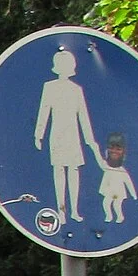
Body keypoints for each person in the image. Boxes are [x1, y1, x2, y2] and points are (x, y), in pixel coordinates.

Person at [33, 46, 102, 223]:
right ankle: (61, 211)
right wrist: (38, 134)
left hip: (73, 134)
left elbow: (83, 116)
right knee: (59, 170)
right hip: (57, 134)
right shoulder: (49, 87)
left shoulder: (76, 89)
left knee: (73, 169)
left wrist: (89, 139)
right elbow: (44, 111)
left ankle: (74, 211)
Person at [98, 132, 137, 223]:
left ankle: (120, 217)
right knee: (106, 203)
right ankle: (109, 216)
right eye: (111, 148)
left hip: (119, 192)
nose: (114, 152)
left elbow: (129, 183)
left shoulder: (122, 171)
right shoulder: (106, 167)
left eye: (118, 149)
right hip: (109, 191)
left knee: (117, 205)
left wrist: (133, 194)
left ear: (123, 153)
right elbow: (99, 160)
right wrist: (94, 148)